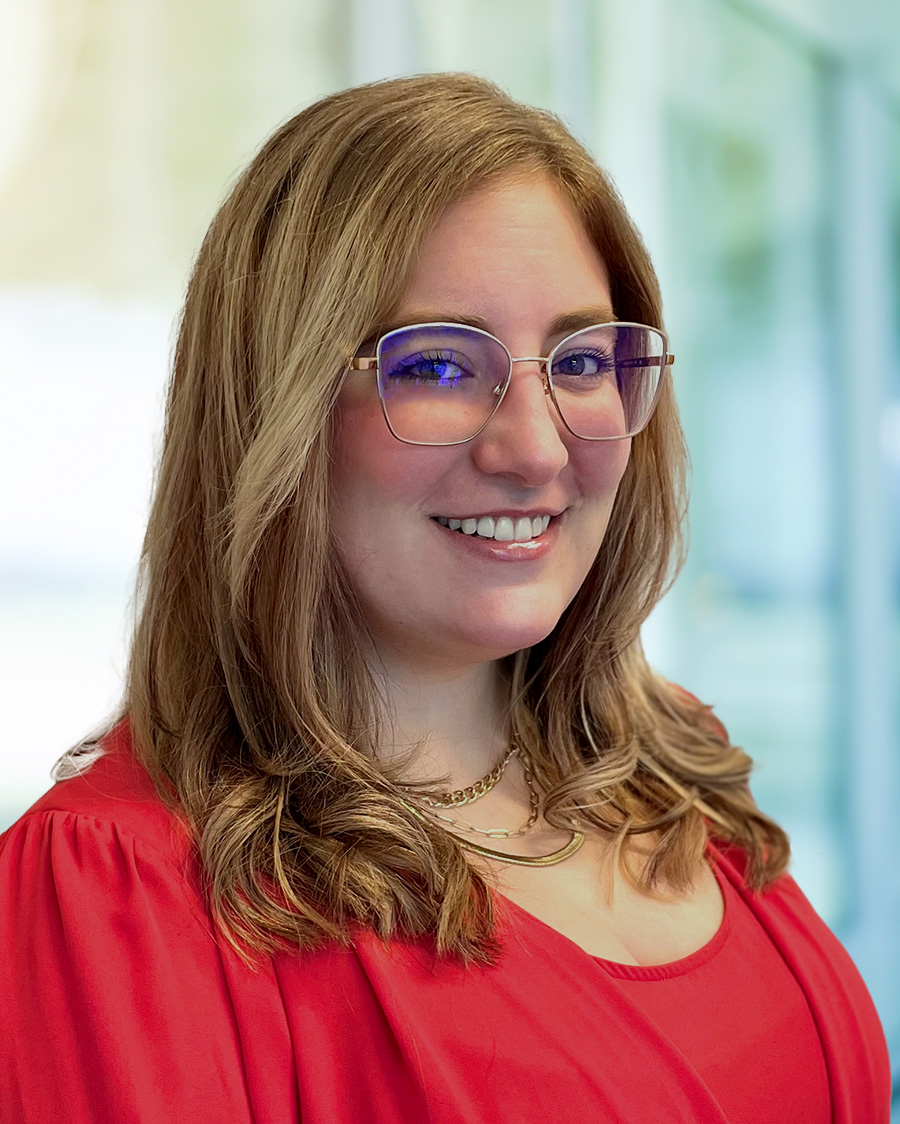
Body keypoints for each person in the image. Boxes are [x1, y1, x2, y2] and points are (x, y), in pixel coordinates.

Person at [0, 73, 890, 1123]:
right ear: (271, 409)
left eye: (583, 358)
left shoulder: (670, 762)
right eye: (434, 363)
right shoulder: (122, 894)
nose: (536, 447)